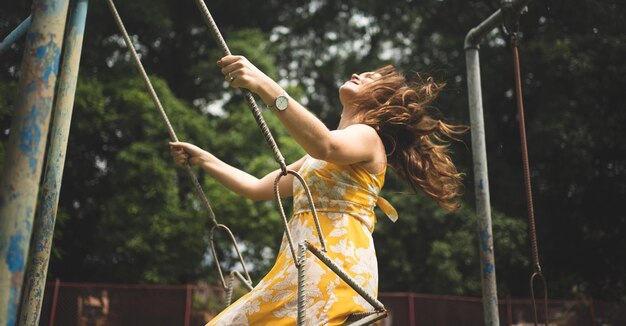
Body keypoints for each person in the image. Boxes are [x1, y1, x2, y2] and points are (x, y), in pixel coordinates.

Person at [170, 55, 466, 325]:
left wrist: (263, 84)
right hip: (299, 266)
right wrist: (204, 159)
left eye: (369, 77)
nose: (357, 73)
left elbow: (325, 144)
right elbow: (257, 187)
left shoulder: (368, 138)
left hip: (333, 265)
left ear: (380, 99)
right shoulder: (317, 157)